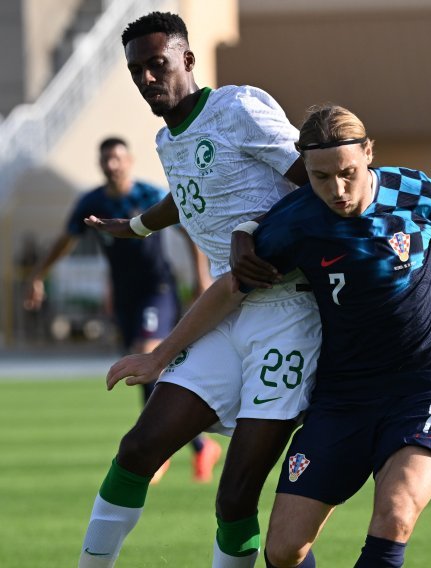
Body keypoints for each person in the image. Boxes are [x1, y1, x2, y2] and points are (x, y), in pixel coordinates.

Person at [106, 104, 431, 568]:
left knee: (395, 514)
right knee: (283, 551)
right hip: (342, 397)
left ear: (369, 153)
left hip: (423, 385)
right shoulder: (297, 219)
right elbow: (230, 291)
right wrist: (158, 358)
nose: (337, 190)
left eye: (348, 173)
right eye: (320, 177)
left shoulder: (417, 192)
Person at [77, 12, 320, 568]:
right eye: (136, 71)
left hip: (288, 317)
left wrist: (255, 231)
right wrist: (135, 226)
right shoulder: (167, 138)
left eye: (156, 65)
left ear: (187, 59)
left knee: (235, 496)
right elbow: (187, 195)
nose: (146, 80)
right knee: (138, 449)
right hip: (223, 314)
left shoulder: (238, 107)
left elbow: (320, 179)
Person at [23, 137, 218, 484]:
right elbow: (65, 241)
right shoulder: (92, 201)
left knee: (147, 356)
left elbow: (187, 230)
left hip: (157, 290)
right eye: (105, 160)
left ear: (129, 161)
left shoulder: (147, 195)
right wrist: (38, 276)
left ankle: (155, 447)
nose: (112, 165)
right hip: (126, 298)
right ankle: (200, 446)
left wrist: (201, 276)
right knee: (143, 371)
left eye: (117, 158)